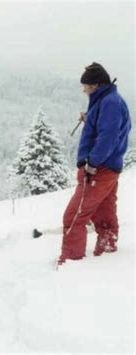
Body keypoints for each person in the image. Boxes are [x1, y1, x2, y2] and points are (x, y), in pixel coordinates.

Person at [58, 62, 131, 265]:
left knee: (74, 216)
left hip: (99, 168)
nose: (84, 90)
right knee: (104, 210)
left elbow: (108, 137)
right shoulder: (109, 101)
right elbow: (108, 127)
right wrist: (90, 118)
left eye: (86, 86)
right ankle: (107, 249)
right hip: (109, 167)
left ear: (96, 85)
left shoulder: (109, 103)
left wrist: (92, 163)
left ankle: (71, 260)